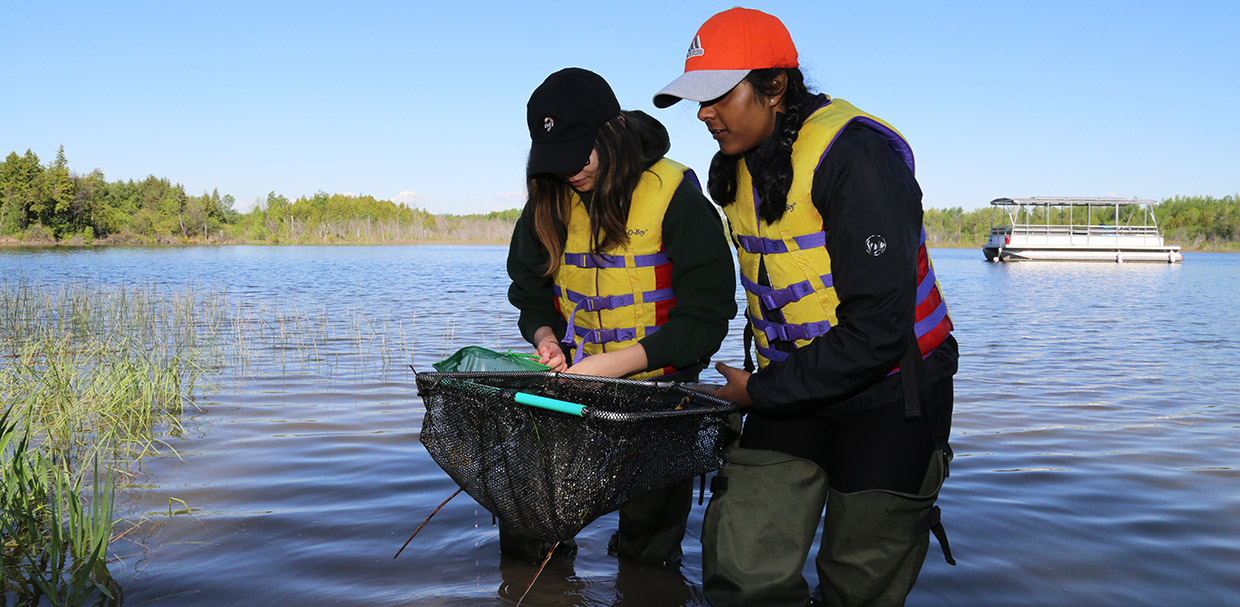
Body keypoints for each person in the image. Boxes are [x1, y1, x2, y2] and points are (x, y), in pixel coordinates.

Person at [653, 8, 959, 607]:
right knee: (742, 570)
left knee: (859, 583)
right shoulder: (741, 160)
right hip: (790, 389)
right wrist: (766, 391)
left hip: (891, 395)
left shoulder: (858, 159)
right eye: (696, 98)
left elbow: (877, 330)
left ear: (775, 87)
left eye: (716, 94)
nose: (703, 112)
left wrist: (757, 394)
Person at [505, 67, 737, 567]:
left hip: (661, 397)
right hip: (572, 388)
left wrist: (616, 365)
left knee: (647, 550)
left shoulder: (675, 195)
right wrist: (546, 335)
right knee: (531, 525)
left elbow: (708, 315)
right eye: (555, 160)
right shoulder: (549, 199)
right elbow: (529, 289)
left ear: (611, 134)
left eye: (578, 155)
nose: (570, 172)